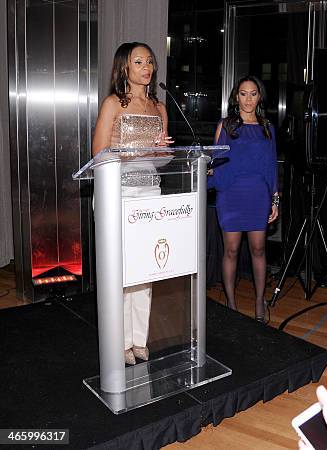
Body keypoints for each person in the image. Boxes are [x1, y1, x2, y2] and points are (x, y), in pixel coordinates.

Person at [92, 42, 173, 365]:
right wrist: (136, 151)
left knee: (145, 272)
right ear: (124, 68)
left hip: (150, 194)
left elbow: (164, 160)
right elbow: (98, 153)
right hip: (119, 195)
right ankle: (119, 340)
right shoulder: (113, 104)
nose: (147, 67)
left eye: (150, 61)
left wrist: (160, 150)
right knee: (121, 273)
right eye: (139, 61)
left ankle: (139, 339)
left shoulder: (160, 107)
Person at [210, 75, 279, 321]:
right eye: (243, 93)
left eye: (253, 93)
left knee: (259, 249)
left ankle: (260, 303)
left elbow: (271, 165)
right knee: (231, 250)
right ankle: (231, 304)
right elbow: (216, 162)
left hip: (258, 194)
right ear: (236, 96)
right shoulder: (226, 125)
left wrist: (275, 198)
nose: (248, 98)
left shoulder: (267, 128)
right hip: (231, 193)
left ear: (259, 97)